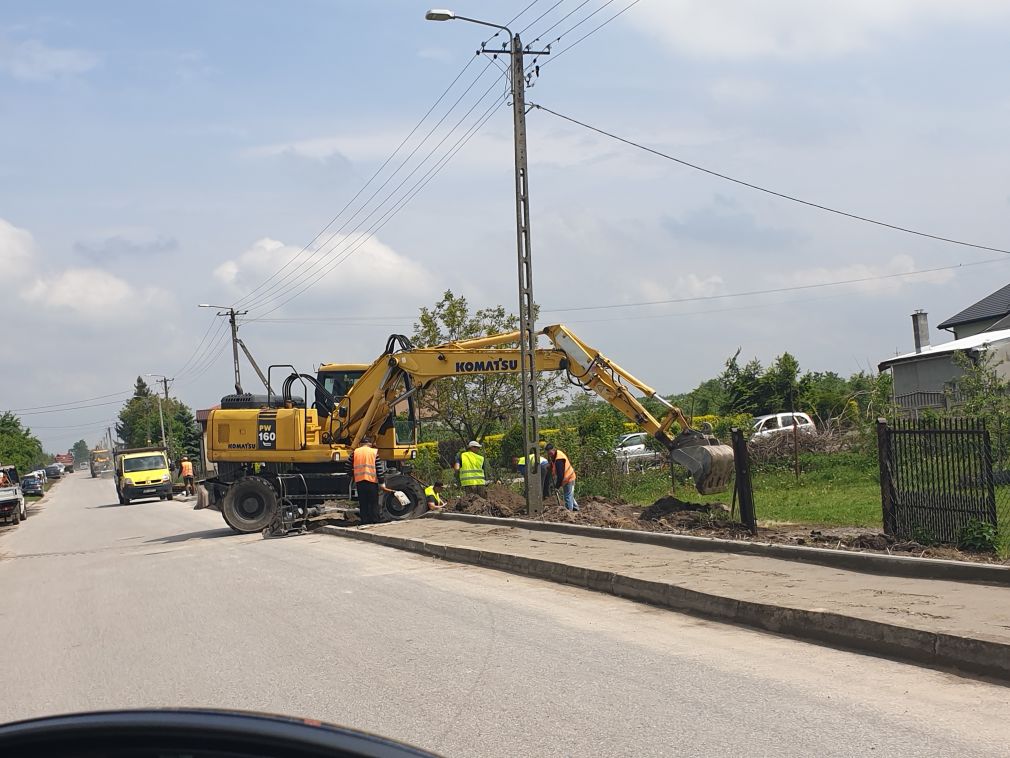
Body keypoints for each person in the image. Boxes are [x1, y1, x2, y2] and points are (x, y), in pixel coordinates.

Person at [353, 436, 382, 522]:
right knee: (373, 503)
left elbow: (347, 465)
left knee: (363, 502)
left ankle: (364, 520)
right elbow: (379, 468)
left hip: (360, 481)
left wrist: (352, 474)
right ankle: (375, 520)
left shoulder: (355, 452)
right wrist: (382, 481)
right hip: (371, 481)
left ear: (360, 444)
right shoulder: (374, 452)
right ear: (370, 444)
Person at [545, 443, 578, 511]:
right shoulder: (556, 454)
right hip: (566, 478)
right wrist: (551, 466)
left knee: (567, 496)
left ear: (553, 449)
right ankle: (576, 508)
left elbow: (560, 476)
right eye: (548, 453)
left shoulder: (559, 459)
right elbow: (554, 463)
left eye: (550, 452)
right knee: (569, 494)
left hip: (569, 478)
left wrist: (557, 487)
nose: (549, 454)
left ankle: (569, 512)